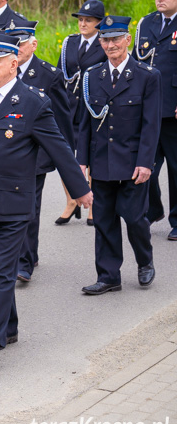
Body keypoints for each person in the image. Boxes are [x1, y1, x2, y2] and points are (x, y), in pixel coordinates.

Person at [0, 34, 93, 363]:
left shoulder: (33, 102)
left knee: (0, 272)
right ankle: (8, 326)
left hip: (14, 203)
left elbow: (60, 149)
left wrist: (80, 190)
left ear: (14, 63)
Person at [77, 16, 160, 295]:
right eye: (105, 40)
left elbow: (151, 125)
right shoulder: (92, 77)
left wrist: (146, 163)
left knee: (135, 218)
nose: (111, 45)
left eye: (116, 39)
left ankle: (145, 261)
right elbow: (86, 123)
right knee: (103, 220)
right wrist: (82, 160)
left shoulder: (147, 76)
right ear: (100, 43)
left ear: (128, 40)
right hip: (102, 161)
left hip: (133, 162)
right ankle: (109, 275)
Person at [6, 19, 74, 283]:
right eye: (12, 42)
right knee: (10, 206)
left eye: (21, 42)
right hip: (6, 152)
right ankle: (26, 254)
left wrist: (67, 160)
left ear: (33, 44)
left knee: (29, 208)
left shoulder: (49, 75)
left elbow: (62, 121)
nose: (17, 47)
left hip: (36, 154)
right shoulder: (1, 70)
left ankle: (24, 263)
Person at [135, 0, 177, 238]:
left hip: (173, 107)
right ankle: (153, 210)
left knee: (176, 166)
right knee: (144, 162)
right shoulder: (146, 23)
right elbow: (138, 62)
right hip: (147, 106)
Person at [56, 0, 106, 225]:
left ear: (99, 23)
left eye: (89, 20)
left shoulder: (105, 43)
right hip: (69, 107)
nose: (83, 24)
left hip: (92, 108)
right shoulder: (69, 43)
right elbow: (59, 75)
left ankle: (93, 204)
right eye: (81, 20)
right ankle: (71, 200)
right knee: (64, 156)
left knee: (91, 156)